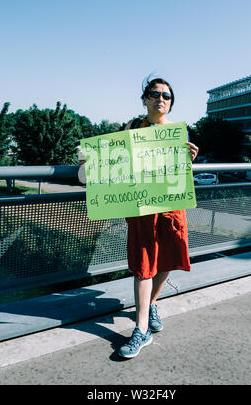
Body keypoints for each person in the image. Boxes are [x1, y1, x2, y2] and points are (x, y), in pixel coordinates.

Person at [79, 77, 199, 359]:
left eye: (167, 96)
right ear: (144, 98)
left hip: (170, 207)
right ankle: (141, 329)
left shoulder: (179, 133)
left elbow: (179, 175)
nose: (161, 99)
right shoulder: (133, 127)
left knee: (167, 259)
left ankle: (151, 304)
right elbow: (115, 162)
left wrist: (190, 160)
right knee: (145, 264)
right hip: (141, 208)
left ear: (171, 102)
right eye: (155, 94)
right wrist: (90, 160)